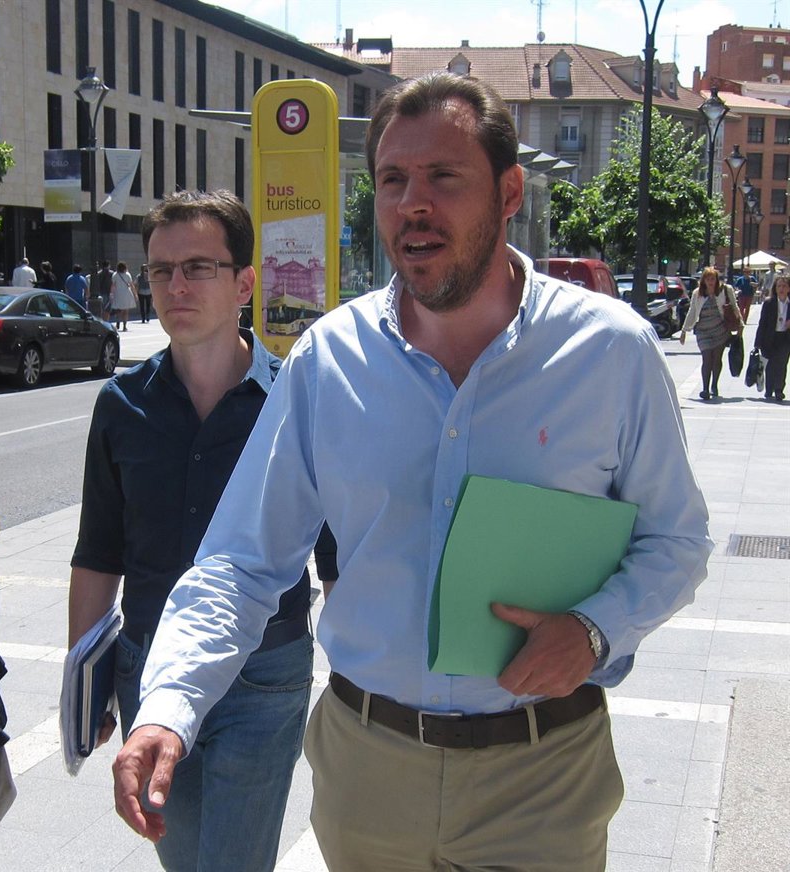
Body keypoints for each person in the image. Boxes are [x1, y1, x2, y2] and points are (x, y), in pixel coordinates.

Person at [113, 73, 712, 871]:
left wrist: (594, 629)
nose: (412, 203)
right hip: (371, 772)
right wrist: (171, 702)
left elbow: (676, 539)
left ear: (508, 193)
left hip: (543, 775)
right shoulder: (329, 359)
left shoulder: (609, 351)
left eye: (443, 176)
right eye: (393, 180)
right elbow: (242, 561)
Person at [70, 190, 333, 872]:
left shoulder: (291, 401)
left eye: (197, 267)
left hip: (264, 672)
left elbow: (336, 557)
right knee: (183, 857)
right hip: (149, 668)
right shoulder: (122, 404)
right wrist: (83, 679)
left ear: (244, 284)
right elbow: (98, 553)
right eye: (161, 270)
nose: (175, 286)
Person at [680, 266, 740, 400]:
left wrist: (740, 325)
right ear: (703, 281)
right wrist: (684, 330)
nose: (710, 282)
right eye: (708, 279)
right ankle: (705, 388)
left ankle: (714, 385)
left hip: (720, 330)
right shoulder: (697, 293)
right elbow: (692, 311)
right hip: (703, 331)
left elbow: (734, 307)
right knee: (707, 358)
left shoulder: (725, 290)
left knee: (717, 359)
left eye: (713, 279)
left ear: (717, 280)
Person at [755, 272, 790, 401]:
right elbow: (762, 323)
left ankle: (779, 389)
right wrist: (758, 343)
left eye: (784, 286)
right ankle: (769, 388)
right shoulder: (769, 303)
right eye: (779, 286)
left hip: (785, 337)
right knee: (770, 364)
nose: (781, 289)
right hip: (770, 337)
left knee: (782, 364)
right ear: (775, 288)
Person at [109, 261, 137, 331]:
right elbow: (131, 285)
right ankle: (124, 326)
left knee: (118, 310)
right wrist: (135, 294)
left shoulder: (115, 274)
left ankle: (117, 323)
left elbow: (113, 285)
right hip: (126, 294)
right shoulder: (127, 274)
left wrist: (111, 294)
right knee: (126, 311)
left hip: (118, 293)